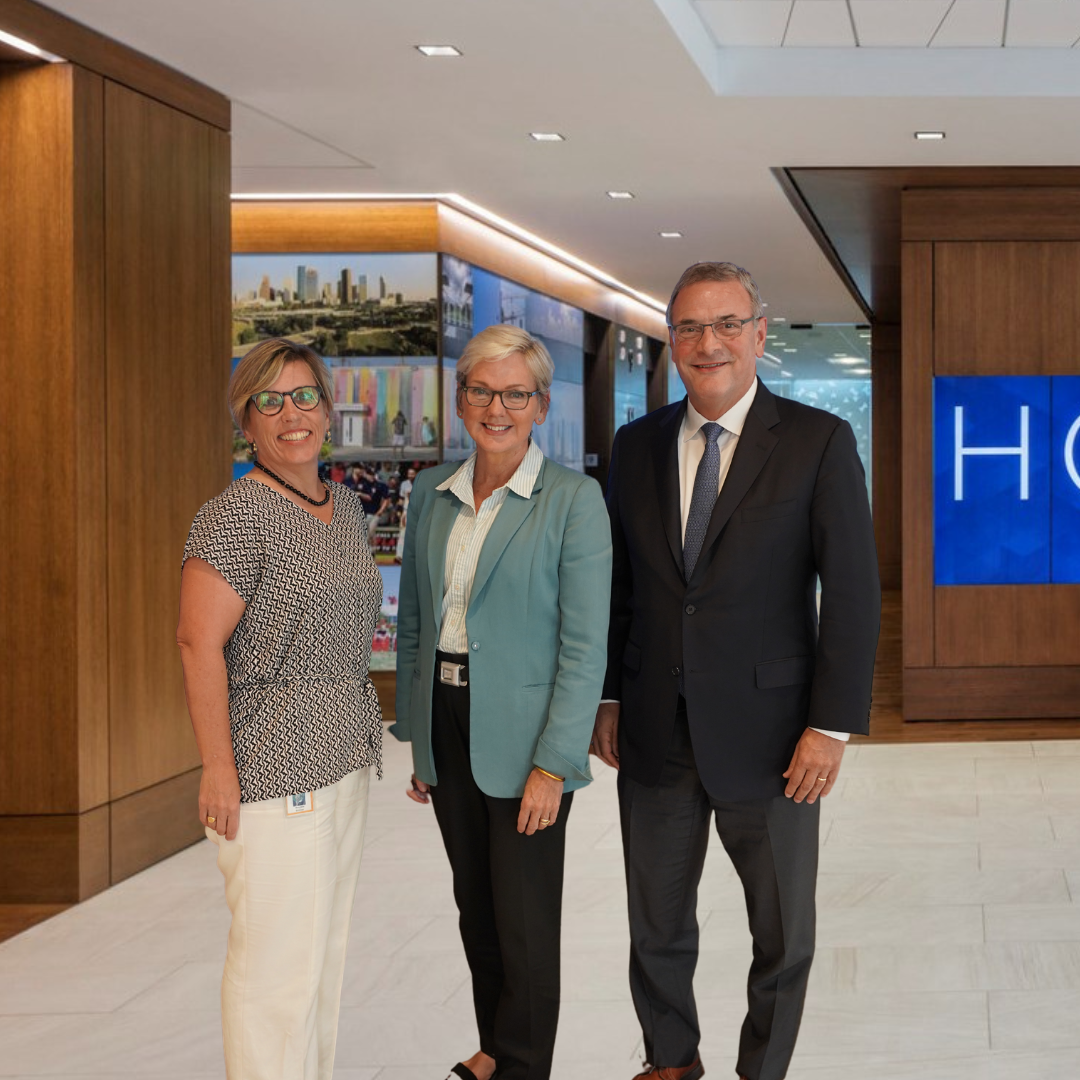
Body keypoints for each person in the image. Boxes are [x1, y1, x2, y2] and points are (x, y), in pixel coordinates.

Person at [593, 263, 880, 1080]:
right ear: (670, 341)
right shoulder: (638, 444)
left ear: (760, 333)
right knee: (656, 925)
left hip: (774, 736)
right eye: (688, 327)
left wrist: (829, 726)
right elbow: (624, 582)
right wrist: (611, 692)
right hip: (653, 730)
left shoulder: (819, 441)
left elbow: (853, 591)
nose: (706, 342)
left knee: (782, 933)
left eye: (725, 324)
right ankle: (671, 1063)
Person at [391, 324, 612, 1080]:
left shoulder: (573, 502)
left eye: (515, 393)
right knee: (475, 909)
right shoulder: (431, 492)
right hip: (448, 723)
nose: (497, 407)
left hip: (525, 738)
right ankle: (495, 1046)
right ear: (460, 400)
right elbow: (415, 622)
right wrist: (418, 737)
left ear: (540, 405)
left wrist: (555, 763)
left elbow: (585, 649)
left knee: (523, 921)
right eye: (482, 390)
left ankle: (522, 1066)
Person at [176, 337, 384, 1080]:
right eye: (269, 401)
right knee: (274, 977)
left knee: (321, 962)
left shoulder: (348, 508)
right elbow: (198, 643)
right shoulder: (234, 515)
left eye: (303, 397)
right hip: (270, 768)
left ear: (329, 410)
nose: (290, 414)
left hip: (342, 759)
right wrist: (218, 768)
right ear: (247, 421)